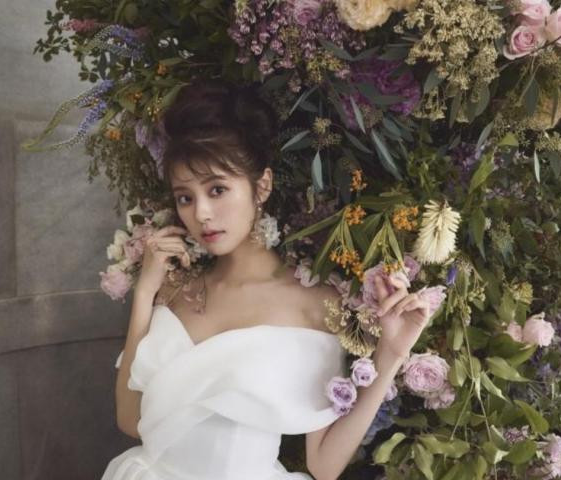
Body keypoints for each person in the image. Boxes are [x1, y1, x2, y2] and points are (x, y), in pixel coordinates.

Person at [103, 79, 431, 480]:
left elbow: (324, 465)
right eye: (185, 197)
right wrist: (145, 292)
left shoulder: (316, 303)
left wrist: (390, 354)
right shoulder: (174, 289)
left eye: (217, 190)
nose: (201, 213)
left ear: (262, 186)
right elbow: (131, 420)